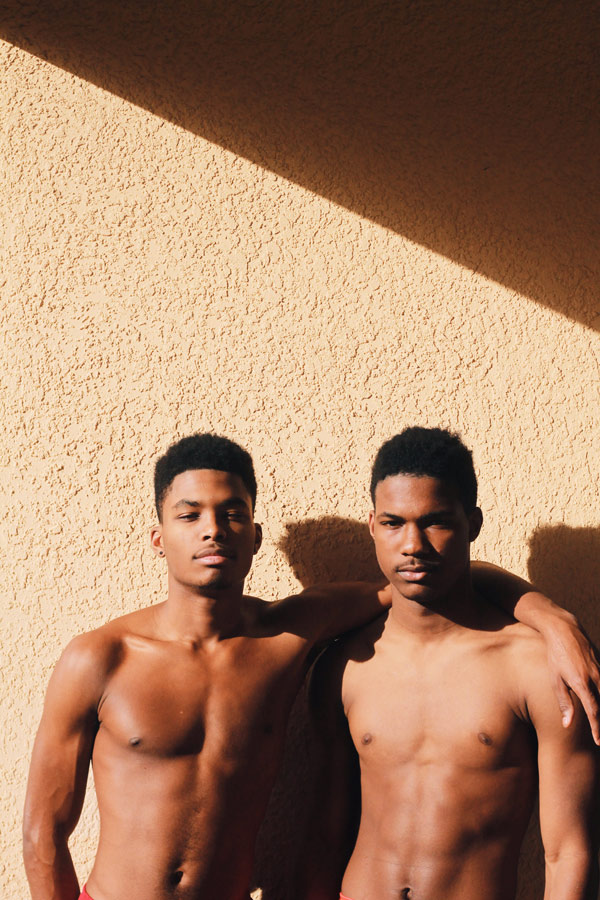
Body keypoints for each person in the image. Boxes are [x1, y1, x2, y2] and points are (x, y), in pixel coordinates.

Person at [23, 433, 600, 900]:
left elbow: (415, 582)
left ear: (255, 535)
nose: (211, 529)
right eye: (189, 514)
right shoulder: (99, 657)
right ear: (158, 536)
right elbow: (42, 831)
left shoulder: (288, 636)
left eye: (231, 514)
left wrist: (549, 617)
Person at [299, 427, 599, 900]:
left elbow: (569, 851)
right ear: (373, 526)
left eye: (435, 521)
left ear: (472, 523)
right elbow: (325, 836)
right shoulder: (344, 665)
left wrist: (552, 620)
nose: (413, 544)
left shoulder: (537, 669)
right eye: (394, 523)